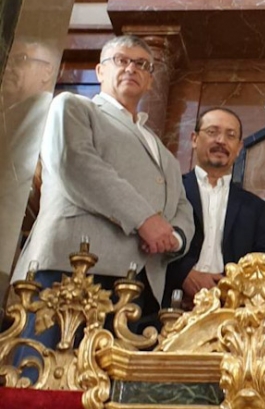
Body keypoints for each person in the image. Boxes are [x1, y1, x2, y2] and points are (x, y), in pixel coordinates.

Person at [11, 35, 195, 316]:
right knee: (48, 359)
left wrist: (176, 237)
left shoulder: (162, 151)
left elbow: (182, 204)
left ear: (149, 80)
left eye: (142, 64)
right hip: (71, 267)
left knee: (116, 362)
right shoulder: (73, 106)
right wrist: (145, 220)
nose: (131, 68)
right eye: (121, 60)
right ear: (100, 71)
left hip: (139, 280)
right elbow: (77, 164)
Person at [166, 107, 265, 307]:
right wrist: (184, 274)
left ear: (239, 147)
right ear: (193, 139)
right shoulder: (170, 190)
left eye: (230, 135)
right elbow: (149, 243)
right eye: (212, 132)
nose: (221, 141)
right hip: (170, 303)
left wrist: (228, 287)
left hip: (231, 312)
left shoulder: (255, 208)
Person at [0, 39, 60, 301]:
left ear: (48, 71)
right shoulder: (12, 113)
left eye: (21, 60)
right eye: (10, 60)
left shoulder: (47, 112)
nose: (11, 68)